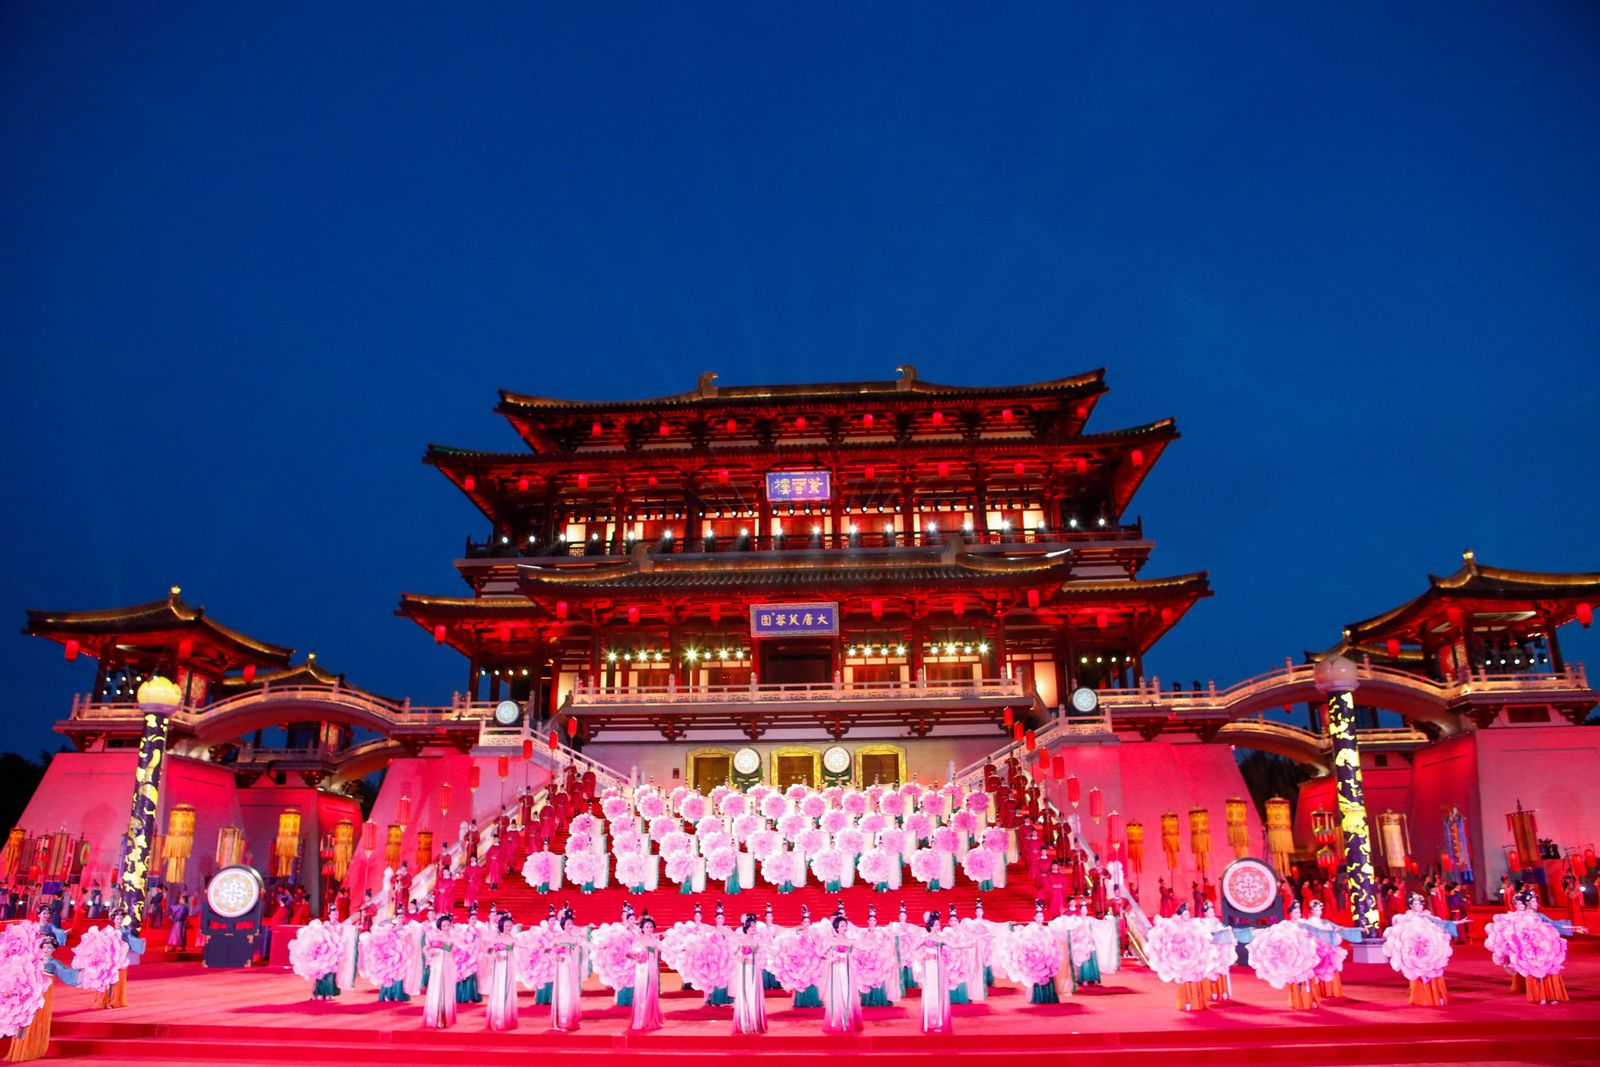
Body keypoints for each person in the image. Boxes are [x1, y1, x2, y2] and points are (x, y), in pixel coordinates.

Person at [4, 931, 81, 1063]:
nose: (46, 950)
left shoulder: (54, 964)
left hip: (44, 994)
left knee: (37, 1020)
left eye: (49, 948)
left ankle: (31, 1049)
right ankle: (20, 1048)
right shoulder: (34, 960)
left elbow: (68, 974)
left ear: (54, 949)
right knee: (25, 1019)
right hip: (30, 994)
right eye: (44, 947)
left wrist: (84, 972)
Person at [822, 914, 862, 1034]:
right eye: (842, 925)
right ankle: (837, 1020)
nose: (845, 927)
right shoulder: (832, 941)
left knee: (847, 993)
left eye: (846, 925)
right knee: (837, 994)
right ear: (837, 927)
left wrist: (874, 947)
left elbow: (862, 947)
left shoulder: (850, 941)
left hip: (847, 970)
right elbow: (822, 954)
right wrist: (832, 959)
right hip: (836, 970)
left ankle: (848, 1020)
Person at [550, 908, 586, 1032]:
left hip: (570, 967)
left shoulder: (575, 938)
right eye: (568, 924)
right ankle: (561, 1020)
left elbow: (585, 944)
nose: (570, 926)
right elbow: (548, 950)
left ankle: (571, 1019)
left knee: (570, 990)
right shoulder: (558, 938)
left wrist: (599, 946)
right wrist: (556, 956)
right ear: (563, 925)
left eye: (571, 923)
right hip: (561, 968)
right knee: (563, 990)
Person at [731, 912, 768, 1035]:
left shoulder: (757, 942)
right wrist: (741, 958)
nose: (753, 929)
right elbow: (734, 953)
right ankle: (745, 1022)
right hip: (744, 971)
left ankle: (754, 1021)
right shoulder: (741, 940)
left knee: (754, 994)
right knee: (745, 995)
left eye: (754, 927)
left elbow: (762, 956)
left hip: (754, 970)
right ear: (746, 927)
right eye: (751, 927)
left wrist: (755, 958)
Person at [627, 915, 663, 1033]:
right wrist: (633, 955)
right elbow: (630, 953)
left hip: (651, 969)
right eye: (647, 927)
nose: (649, 929)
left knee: (649, 992)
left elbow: (665, 949)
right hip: (641, 970)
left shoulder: (654, 940)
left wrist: (679, 950)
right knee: (640, 992)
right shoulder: (638, 940)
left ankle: (648, 1020)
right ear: (642, 928)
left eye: (651, 927)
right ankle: (639, 1020)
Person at [916, 911, 952, 1034]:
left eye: (939, 924)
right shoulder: (925, 938)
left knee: (938, 993)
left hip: (938, 968)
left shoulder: (941, 938)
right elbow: (914, 948)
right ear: (931, 925)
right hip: (929, 967)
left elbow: (954, 945)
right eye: (936, 925)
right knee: (929, 993)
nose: (938, 927)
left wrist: (968, 945)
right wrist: (922, 957)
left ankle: (938, 1022)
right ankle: (929, 1022)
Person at [422, 914, 458, 1029]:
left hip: (447, 965)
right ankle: (434, 1016)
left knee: (445, 988)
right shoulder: (434, 937)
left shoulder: (452, 938)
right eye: (444, 925)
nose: (446, 927)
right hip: (437, 965)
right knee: (435, 987)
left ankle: (444, 1017)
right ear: (440, 927)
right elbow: (425, 948)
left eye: (448, 925)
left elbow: (455, 949)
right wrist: (430, 954)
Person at [484, 913, 519, 1031]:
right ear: (502, 926)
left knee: (508, 989)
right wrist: (494, 955)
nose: (509, 928)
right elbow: (488, 951)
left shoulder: (514, 939)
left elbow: (525, 946)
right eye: (507, 926)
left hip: (509, 966)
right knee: (499, 989)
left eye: (510, 926)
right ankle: (497, 1017)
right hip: (499, 967)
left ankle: (507, 1018)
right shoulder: (496, 939)